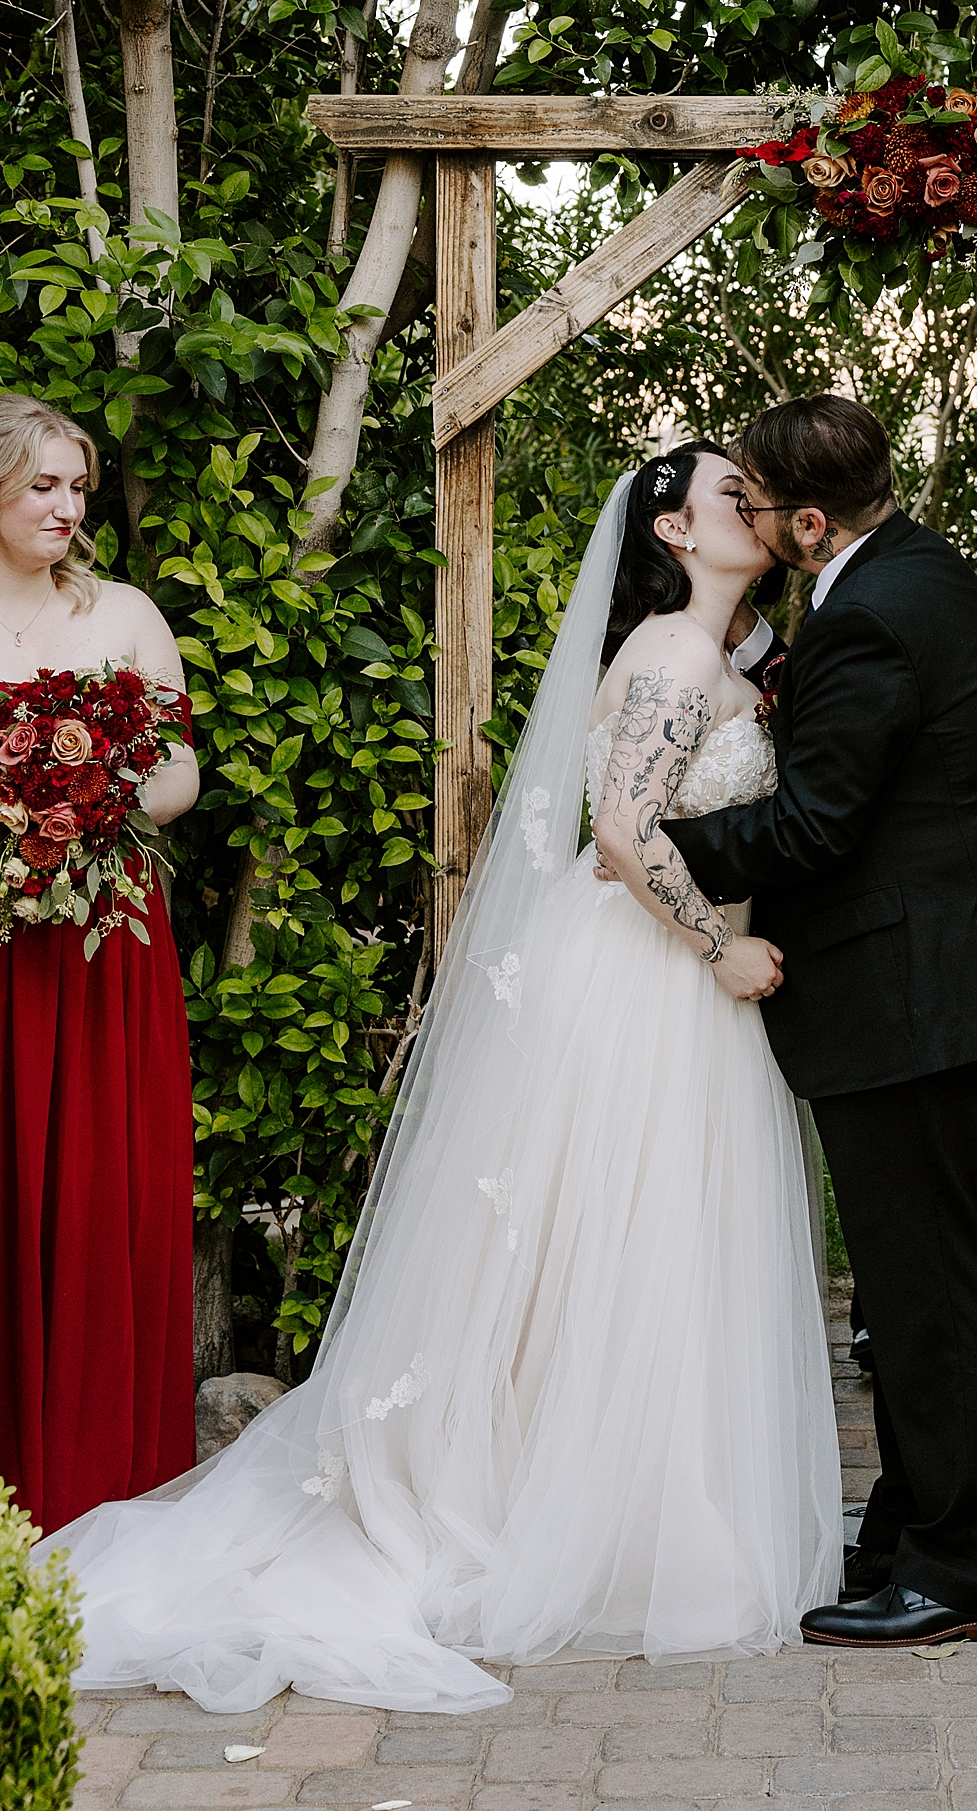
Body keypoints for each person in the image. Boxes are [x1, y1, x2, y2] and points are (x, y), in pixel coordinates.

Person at [37, 445, 842, 1712]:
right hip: (652, 977)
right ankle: (587, 1518)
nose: (754, 508)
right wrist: (721, 946)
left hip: (662, 979)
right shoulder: (677, 658)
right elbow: (625, 838)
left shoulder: (720, 656)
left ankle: (644, 1506)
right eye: (730, 495)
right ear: (676, 530)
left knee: (654, 1251)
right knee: (622, 1243)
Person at [657, 395, 977, 1651]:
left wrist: (655, 853)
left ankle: (962, 1574)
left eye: (761, 508)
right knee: (922, 1280)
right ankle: (914, 1530)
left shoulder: (871, 615)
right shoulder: (923, 566)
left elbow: (818, 825)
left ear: (812, 518)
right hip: (944, 966)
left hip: (912, 985)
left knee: (931, 1288)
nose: (753, 526)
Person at [0, 395, 200, 1536]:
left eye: (78, 487)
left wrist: (94, 799)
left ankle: (94, 1478)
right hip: (0, 934)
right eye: (44, 486)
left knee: (92, 1187)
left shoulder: (122, 612)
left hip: (101, 935)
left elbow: (179, 770)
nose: (68, 508)